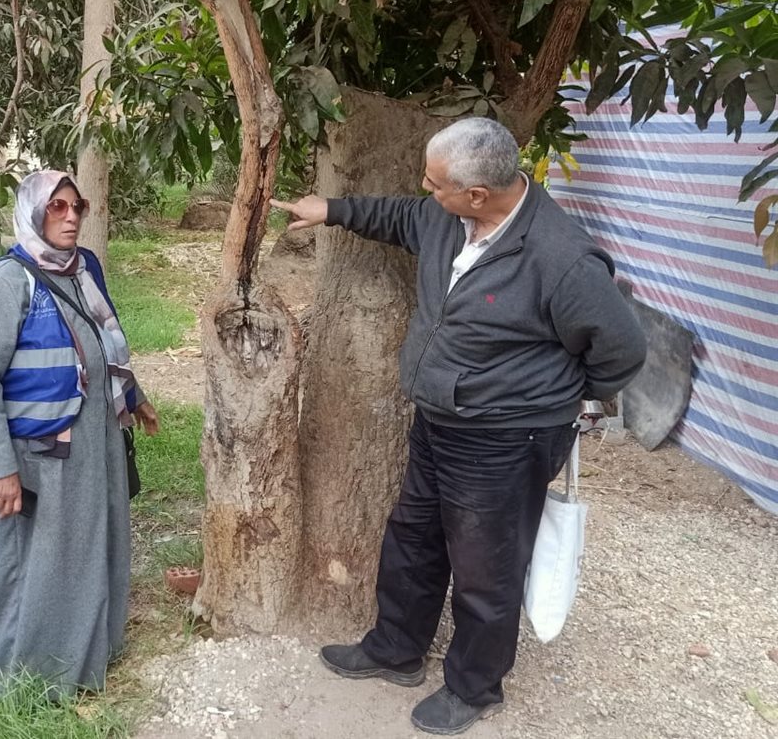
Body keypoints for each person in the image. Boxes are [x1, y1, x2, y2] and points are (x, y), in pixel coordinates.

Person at [271, 117, 646, 735]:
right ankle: (397, 649)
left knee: (485, 566)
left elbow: (622, 351)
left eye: (434, 182)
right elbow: (398, 216)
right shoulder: (447, 218)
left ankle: (475, 687)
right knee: (413, 538)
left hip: (508, 436)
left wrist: (548, 396)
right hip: (440, 419)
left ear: (477, 193)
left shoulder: (562, 258)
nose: (425, 188)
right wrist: (332, 209)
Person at [0, 169, 160, 695]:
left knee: (90, 542)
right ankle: (21, 672)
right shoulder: (8, 283)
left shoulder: (84, 268)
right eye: (57, 207)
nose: (71, 218)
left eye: (77, 207)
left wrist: (135, 398)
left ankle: (89, 649)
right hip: (41, 453)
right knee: (38, 556)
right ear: (33, 212)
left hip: (96, 440)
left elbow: (103, 344)